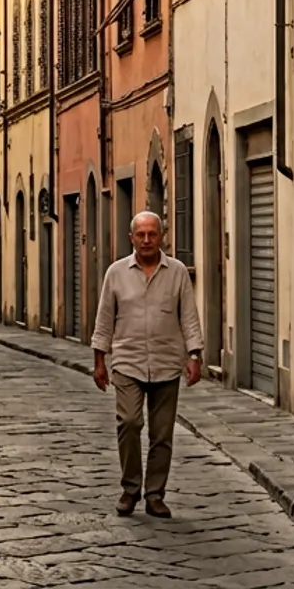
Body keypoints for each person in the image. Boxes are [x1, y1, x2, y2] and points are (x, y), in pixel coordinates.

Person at [90, 211, 202, 519]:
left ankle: (155, 494)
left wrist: (195, 355)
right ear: (132, 238)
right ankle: (130, 489)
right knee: (128, 422)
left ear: (162, 236)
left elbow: (189, 316)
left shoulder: (177, 272)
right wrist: (99, 360)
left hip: (167, 362)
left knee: (162, 434)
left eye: (152, 234)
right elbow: (104, 319)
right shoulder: (115, 273)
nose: (147, 240)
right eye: (141, 234)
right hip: (128, 361)